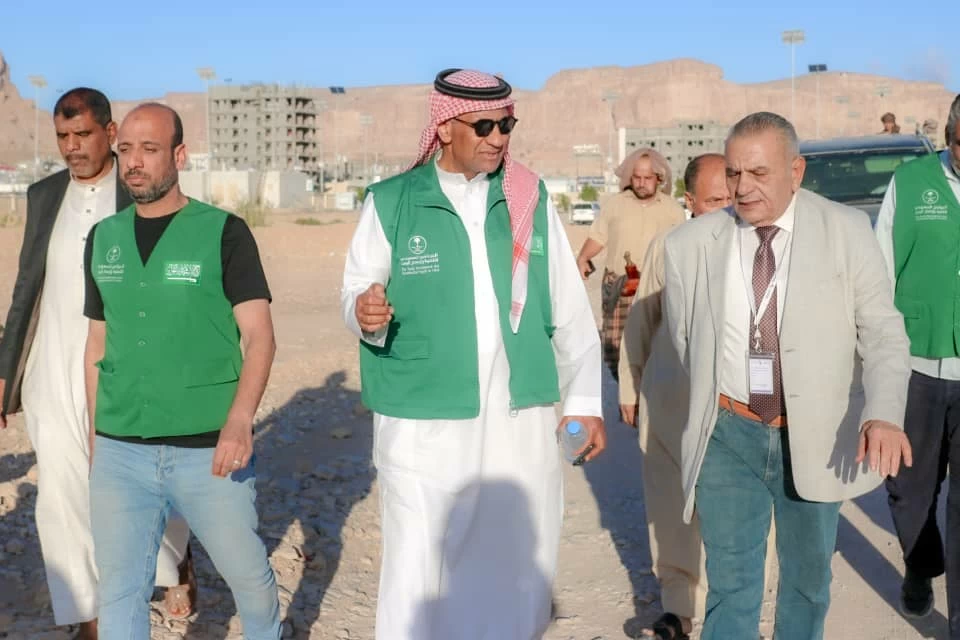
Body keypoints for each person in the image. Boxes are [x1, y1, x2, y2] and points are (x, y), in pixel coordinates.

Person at [341, 68, 605, 640]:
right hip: (423, 418)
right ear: (443, 128)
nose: (497, 137)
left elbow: (568, 306)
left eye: (506, 125)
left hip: (520, 416)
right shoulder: (392, 201)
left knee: (516, 562)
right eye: (483, 126)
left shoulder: (529, 198)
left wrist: (584, 402)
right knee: (419, 564)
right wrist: (363, 312)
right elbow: (357, 285)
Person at [662, 111, 913, 639]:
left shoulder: (846, 231)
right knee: (731, 588)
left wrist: (884, 414)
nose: (742, 187)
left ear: (795, 171)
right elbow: (688, 342)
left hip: (815, 434)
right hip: (727, 436)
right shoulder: (689, 245)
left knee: (806, 586)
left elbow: (884, 333)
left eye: (758, 173)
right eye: (734, 173)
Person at [82, 103, 280, 639]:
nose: (134, 161)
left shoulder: (225, 232)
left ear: (180, 155)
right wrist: (98, 437)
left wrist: (240, 420)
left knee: (248, 577)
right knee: (121, 590)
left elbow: (260, 336)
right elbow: (97, 341)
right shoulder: (103, 238)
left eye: (150, 149)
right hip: (121, 448)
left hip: (209, 447)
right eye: (126, 149)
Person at [0, 88, 192, 639]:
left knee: (142, 485)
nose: (72, 147)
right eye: (63, 136)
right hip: (51, 366)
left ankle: (177, 560)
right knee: (62, 494)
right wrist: (7, 375)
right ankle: (90, 618)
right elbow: (26, 288)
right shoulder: (43, 195)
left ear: (110, 133)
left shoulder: (140, 191)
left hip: (126, 367)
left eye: (83, 134)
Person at [617, 153, 729, 639]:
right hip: (671, 397)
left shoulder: (756, 245)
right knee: (670, 502)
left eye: (732, 196)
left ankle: (733, 607)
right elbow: (643, 319)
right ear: (690, 201)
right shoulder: (667, 245)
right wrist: (630, 385)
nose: (727, 206)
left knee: (735, 505)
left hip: (735, 403)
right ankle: (680, 610)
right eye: (715, 200)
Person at [875, 93, 960, 635]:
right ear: (950, 138)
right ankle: (921, 564)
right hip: (917, 365)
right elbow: (881, 267)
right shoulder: (910, 183)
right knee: (910, 488)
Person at [576, 148, 685, 379]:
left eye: (647, 178)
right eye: (637, 177)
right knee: (616, 348)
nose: (641, 183)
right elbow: (598, 236)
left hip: (656, 288)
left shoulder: (673, 210)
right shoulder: (615, 205)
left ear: (659, 178)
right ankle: (624, 391)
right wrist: (583, 258)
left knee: (654, 346)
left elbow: (682, 249)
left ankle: (646, 394)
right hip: (620, 287)